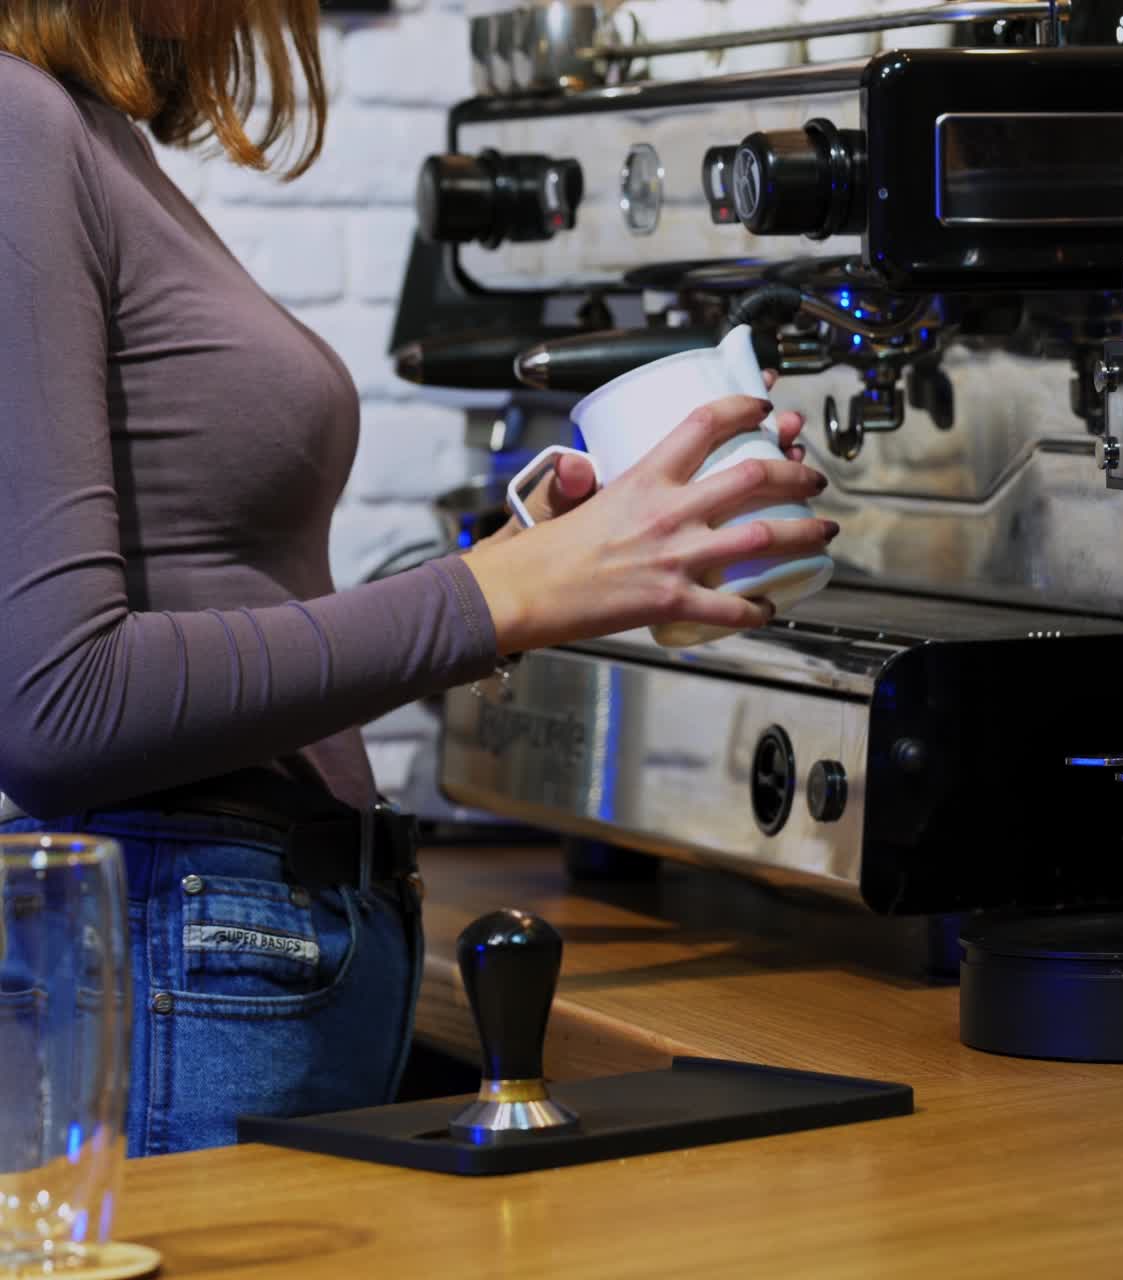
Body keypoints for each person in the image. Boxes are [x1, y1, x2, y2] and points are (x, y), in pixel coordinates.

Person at [0, 0, 836, 1156]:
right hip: (180, 941)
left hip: (253, 935)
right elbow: (55, 706)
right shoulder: (16, 121)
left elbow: (205, 591)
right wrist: (497, 595)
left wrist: (528, 563)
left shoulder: (89, 138)